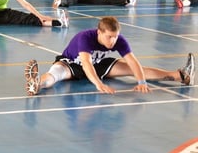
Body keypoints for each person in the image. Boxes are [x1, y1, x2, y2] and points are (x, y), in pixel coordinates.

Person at [24, 16, 195, 96]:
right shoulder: (85, 38)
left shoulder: (119, 40)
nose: (113, 41)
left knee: (133, 70)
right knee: (56, 74)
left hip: (99, 64)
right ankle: (37, 84)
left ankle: (181, 75)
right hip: (72, 63)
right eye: (109, 37)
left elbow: (133, 61)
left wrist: (141, 81)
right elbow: (86, 63)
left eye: (115, 37)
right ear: (99, 32)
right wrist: (99, 84)